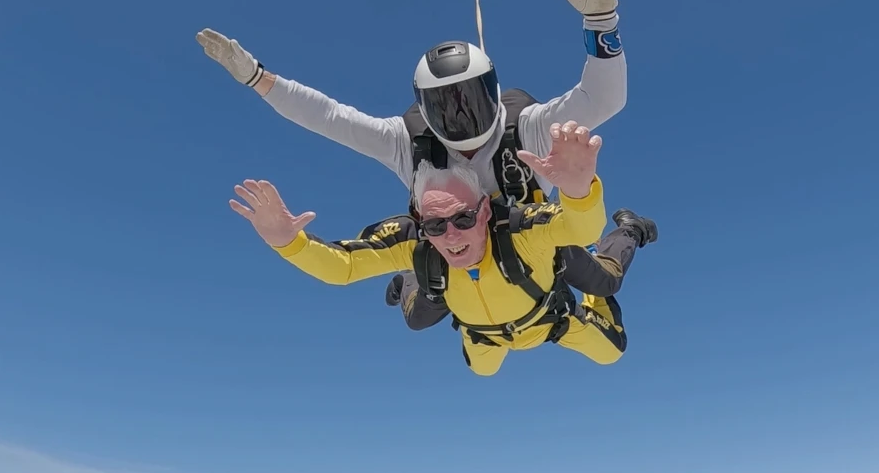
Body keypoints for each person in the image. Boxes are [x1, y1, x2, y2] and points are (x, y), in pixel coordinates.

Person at [193, 0, 632, 196]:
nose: (460, 115)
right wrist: (258, 78)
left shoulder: (528, 128)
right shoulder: (408, 142)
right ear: (423, 108)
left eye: (469, 100)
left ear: (494, 93)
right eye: (446, 106)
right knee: (432, 316)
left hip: (531, 262)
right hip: (460, 279)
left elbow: (604, 98)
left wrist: (601, 20)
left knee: (591, 284)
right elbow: (328, 117)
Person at [231, 122, 658, 377]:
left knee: (610, 331)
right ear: (421, 223)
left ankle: (630, 230)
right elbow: (341, 267)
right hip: (483, 333)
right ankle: (408, 281)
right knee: (473, 362)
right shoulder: (417, 241)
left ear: (485, 211)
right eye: (435, 225)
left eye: (463, 219)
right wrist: (287, 242)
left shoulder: (519, 229)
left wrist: (579, 191)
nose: (452, 235)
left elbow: (579, 227)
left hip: (550, 320)